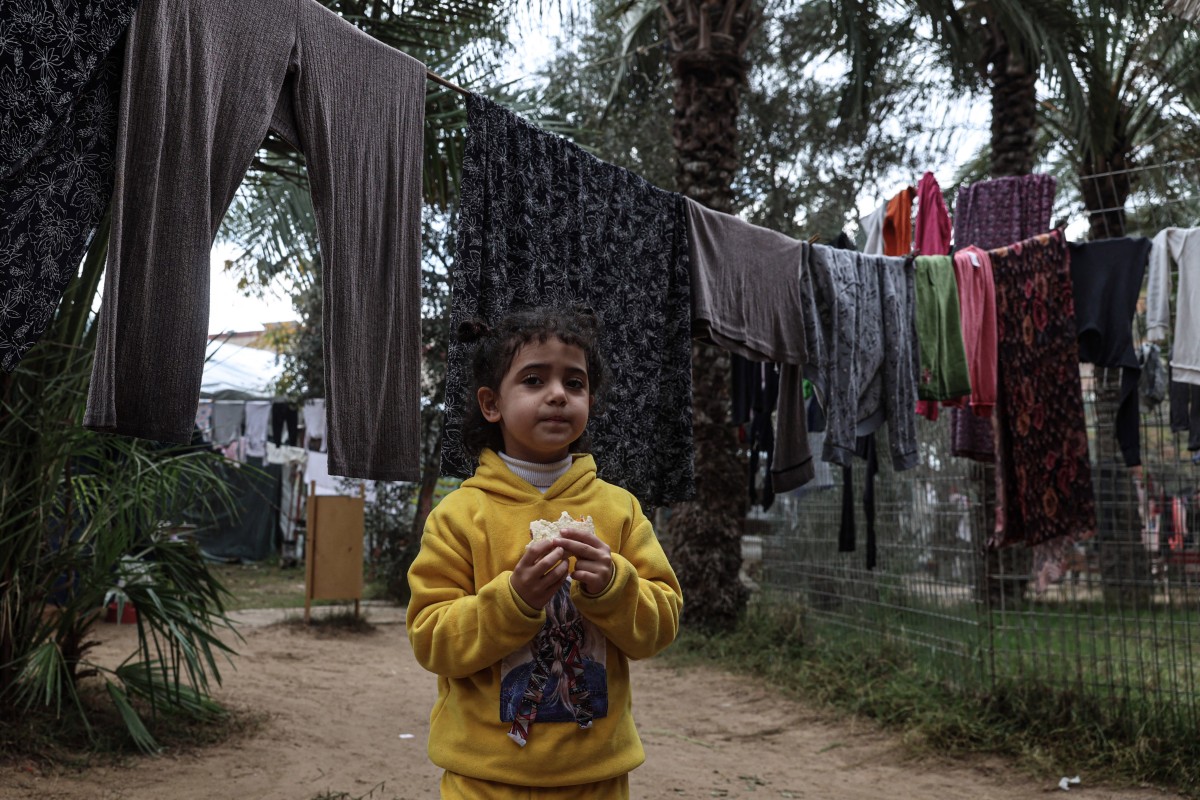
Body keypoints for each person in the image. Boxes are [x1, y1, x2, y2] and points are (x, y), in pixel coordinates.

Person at [406, 307, 683, 798]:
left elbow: (658, 629)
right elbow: (432, 640)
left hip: (594, 777)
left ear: (590, 402)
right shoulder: (459, 516)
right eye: (534, 379)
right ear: (492, 404)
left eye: (574, 383)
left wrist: (615, 586)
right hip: (483, 778)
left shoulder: (619, 511)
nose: (558, 393)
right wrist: (512, 600)